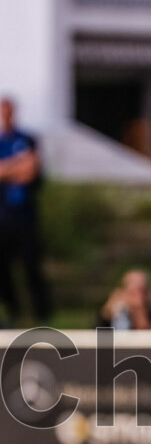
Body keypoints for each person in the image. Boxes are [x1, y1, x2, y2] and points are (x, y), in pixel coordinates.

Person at [0, 97, 49, 323]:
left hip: (26, 216)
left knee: (32, 266)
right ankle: (13, 312)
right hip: (4, 216)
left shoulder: (26, 138)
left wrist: (7, 168)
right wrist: (16, 166)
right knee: (4, 268)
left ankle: (42, 314)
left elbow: (31, 170)